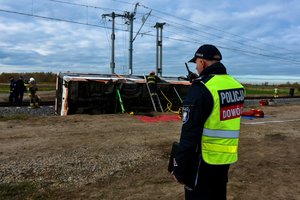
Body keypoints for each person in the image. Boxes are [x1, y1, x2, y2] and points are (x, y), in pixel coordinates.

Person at [171, 44, 245, 200]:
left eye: (197, 63)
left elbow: (190, 133)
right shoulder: (236, 86)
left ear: (202, 62)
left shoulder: (202, 88)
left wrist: (180, 168)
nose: (197, 67)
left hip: (202, 158)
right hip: (225, 156)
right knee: (218, 194)